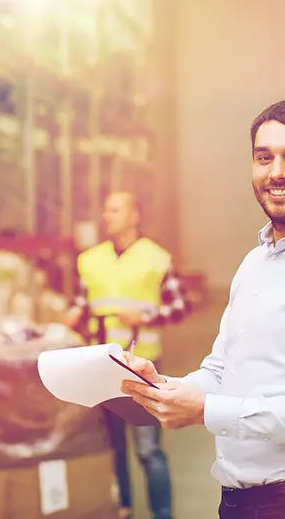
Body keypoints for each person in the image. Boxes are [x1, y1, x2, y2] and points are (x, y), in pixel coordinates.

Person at [119, 99, 285, 519]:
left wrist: (205, 410)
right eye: (264, 158)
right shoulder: (255, 262)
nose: (276, 173)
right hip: (236, 503)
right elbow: (221, 372)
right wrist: (164, 387)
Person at [65, 191, 187, 519]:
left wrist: (145, 318)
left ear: (135, 216)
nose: (108, 216)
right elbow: (83, 301)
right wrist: (72, 316)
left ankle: (163, 514)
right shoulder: (90, 260)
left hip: (141, 366)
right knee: (114, 449)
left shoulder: (156, 258)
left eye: (116, 210)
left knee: (148, 450)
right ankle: (124, 510)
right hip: (101, 367)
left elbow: (179, 306)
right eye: (105, 210)